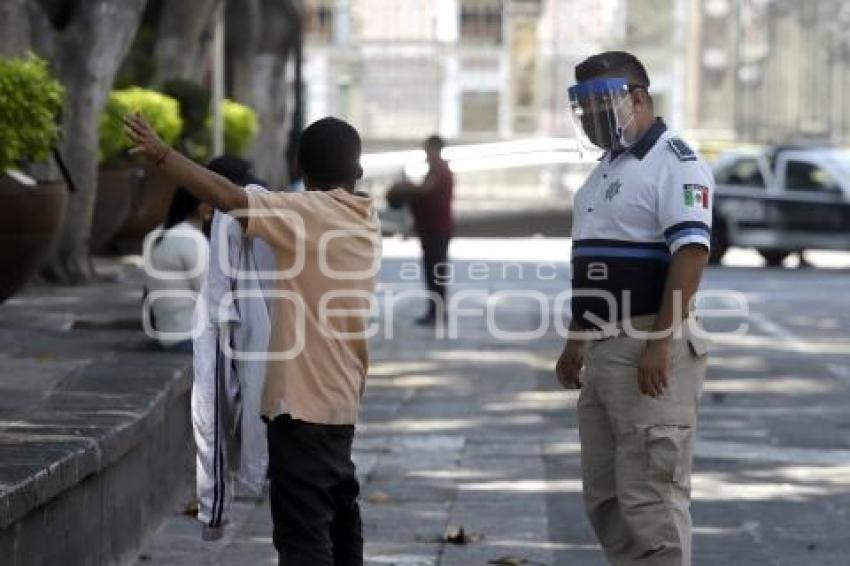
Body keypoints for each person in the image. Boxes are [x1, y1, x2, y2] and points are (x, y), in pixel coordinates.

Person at [126, 113, 379, 566]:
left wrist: (164, 154)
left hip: (300, 406)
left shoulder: (305, 215)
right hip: (342, 400)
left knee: (304, 538)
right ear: (357, 173)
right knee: (340, 518)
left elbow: (227, 197)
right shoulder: (364, 217)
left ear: (299, 169)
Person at [554, 51, 712, 566]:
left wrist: (659, 343)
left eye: (603, 108)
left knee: (651, 498)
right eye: (586, 112)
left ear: (638, 97)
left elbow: (689, 255)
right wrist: (576, 340)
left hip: (646, 340)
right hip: (602, 348)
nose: (594, 122)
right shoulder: (604, 172)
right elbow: (596, 267)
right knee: (607, 497)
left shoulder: (674, 161)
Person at [192, 156, 275, 541]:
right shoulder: (294, 218)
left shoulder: (228, 228)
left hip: (263, 389)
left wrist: (214, 507)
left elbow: (213, 386)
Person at [143, 187, 212, 352]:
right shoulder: (192, 239)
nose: (212, 206)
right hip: (189, 336)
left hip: (167, 333)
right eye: (208, 201)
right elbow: (212, 293)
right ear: (196, 205)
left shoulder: (157, 235)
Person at [410, 135, 454, 325]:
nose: (426, 155)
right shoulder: (437, 170)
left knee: (435, 271)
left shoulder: (440, 171)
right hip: (432, 227)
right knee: (435, 270)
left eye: (428, 150)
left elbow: (425, 192)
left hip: (437, 228)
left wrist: (406, 188)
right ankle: (436, 310)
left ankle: (436, 311)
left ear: (435, 150)